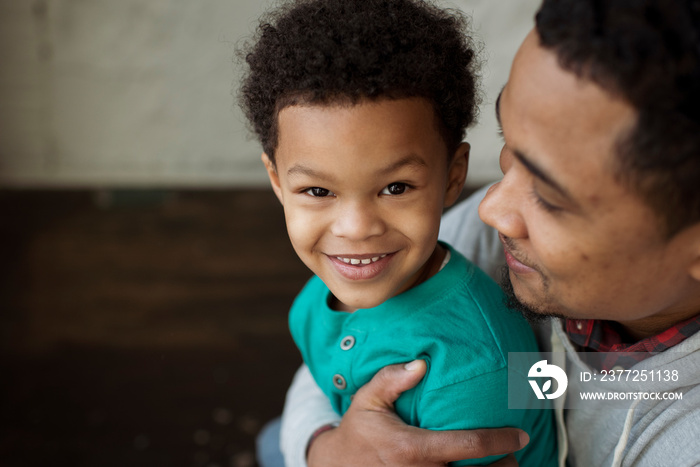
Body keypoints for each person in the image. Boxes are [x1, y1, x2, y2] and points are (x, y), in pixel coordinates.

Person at [271, 0, 700, 466]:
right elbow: (329, 367)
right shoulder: (487, 242)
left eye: (552, 196)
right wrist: (323, 450)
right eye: (508, 147)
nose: (490, 207)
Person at [238, 0, 558, 465]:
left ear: (453, 177)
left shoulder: (472, 377)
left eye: (395, 187)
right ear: (276, 182)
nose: (355, 229)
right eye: (317, 190)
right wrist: (325, 449)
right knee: (278, 438)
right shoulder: (318, 299)